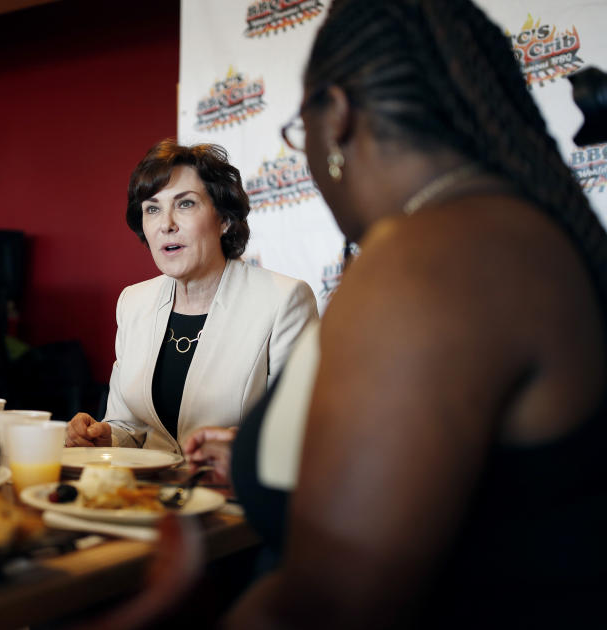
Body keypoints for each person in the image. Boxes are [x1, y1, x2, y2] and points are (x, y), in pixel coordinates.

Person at [192, 1, 607, 628]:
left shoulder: (428, 257)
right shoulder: (509, 232)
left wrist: (160, 601)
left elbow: (326, 610)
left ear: (337, 115)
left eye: (301, 132)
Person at [66, 140, 318, 453]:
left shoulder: (284, 301)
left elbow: (300, 434)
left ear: (223, 219)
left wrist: (238, 454)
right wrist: (104, 435)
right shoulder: (133, 302)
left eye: (185, 204)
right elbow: (128, 425)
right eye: (153, 209)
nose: (166, 224)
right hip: (144, 496)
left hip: (231, 497)